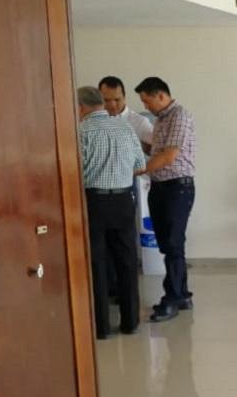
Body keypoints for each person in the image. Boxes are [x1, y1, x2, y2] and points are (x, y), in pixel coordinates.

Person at [76, 86, 145, 338]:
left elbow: (76, 170)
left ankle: (102, 327)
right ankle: (130, 322)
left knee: (97, 262)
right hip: (124, 200)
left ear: (80, 107)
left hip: (95, 201)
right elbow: (140, 165)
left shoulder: (81, 131)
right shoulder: (125, 127)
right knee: (127, 261)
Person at [134, 76, 196, 323]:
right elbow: (156, 150)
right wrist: (134, 143)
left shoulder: (179, 116)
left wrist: (140, 169)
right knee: (170, 245)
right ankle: (183, 295)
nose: (145, 106)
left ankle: (172, 298)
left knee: (172, 244)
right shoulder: (161, 119)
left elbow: (169, 155)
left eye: (147, 101)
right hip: (160, 187)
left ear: (161, 95)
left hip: (177, 188)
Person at [99, 75, 153, 151]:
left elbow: (161, 149)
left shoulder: (140, 122)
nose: (112, 105)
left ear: (124, 98)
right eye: (106, 100)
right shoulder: (91, 121)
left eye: (117, 100)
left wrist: (137, 145)